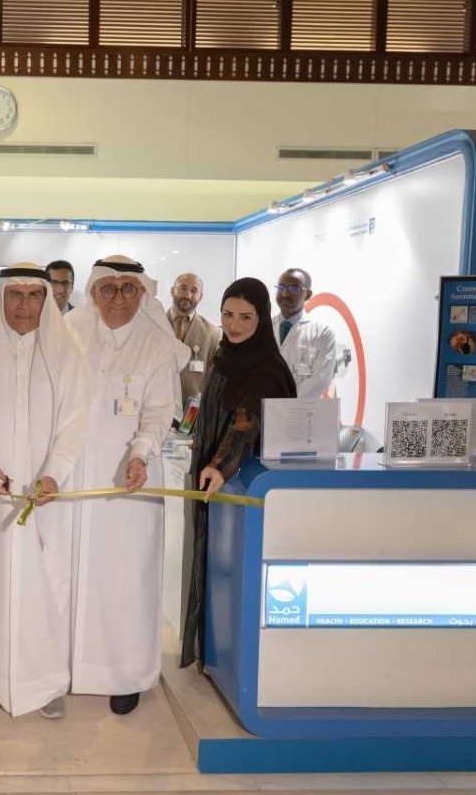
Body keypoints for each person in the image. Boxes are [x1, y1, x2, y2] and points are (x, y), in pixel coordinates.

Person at [0, 262, 88, 719]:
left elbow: (75, 422)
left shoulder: (68, 354)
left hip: (45, 496)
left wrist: (55, 473)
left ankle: (45, 680)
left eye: (33, 296)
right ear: (1, 297)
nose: (24, 306)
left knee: (46, 585)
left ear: (47, 300)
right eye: (15, 295)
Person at [64, 256, 186, 716]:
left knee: (127, 578)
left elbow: (159, 412)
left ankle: (126, 673)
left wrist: (139, 455)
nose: (118, 299)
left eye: (128, 289)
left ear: (143, 293)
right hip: (74, 480)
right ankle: (74, 665)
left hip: (131, 480)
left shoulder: (156, 344)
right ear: (93, 293)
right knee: (75, 570)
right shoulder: (70, 335)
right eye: (108, 289)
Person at [180, 278, 296, 670]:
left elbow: (246, 424)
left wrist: (219, 465)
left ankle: (229, 657)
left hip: (243, 487)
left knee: (234, 573)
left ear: (262, 319)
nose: (235, 324)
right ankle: (211, 651)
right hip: (218, 480)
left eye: (246, 316)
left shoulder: (266, 369)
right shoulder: (225, 355)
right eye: (228, 314)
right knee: (212, 564)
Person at [273, 268, 337, 400]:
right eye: (281, 287)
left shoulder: (323, 333)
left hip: (302, 412)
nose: (284, 294)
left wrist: (286, 402)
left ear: (308, 294)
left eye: (293, 289)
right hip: (265, 410)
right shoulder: (264, 327)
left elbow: (321, 379)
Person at [168, 273, 221, 408]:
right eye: (183, 288)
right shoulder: (153, 326)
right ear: (172, 291)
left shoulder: (213, 333)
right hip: (156, 408)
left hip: (193, 415)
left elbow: (216, 380)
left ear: (201, 297)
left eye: (194, 290)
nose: (187, 295)